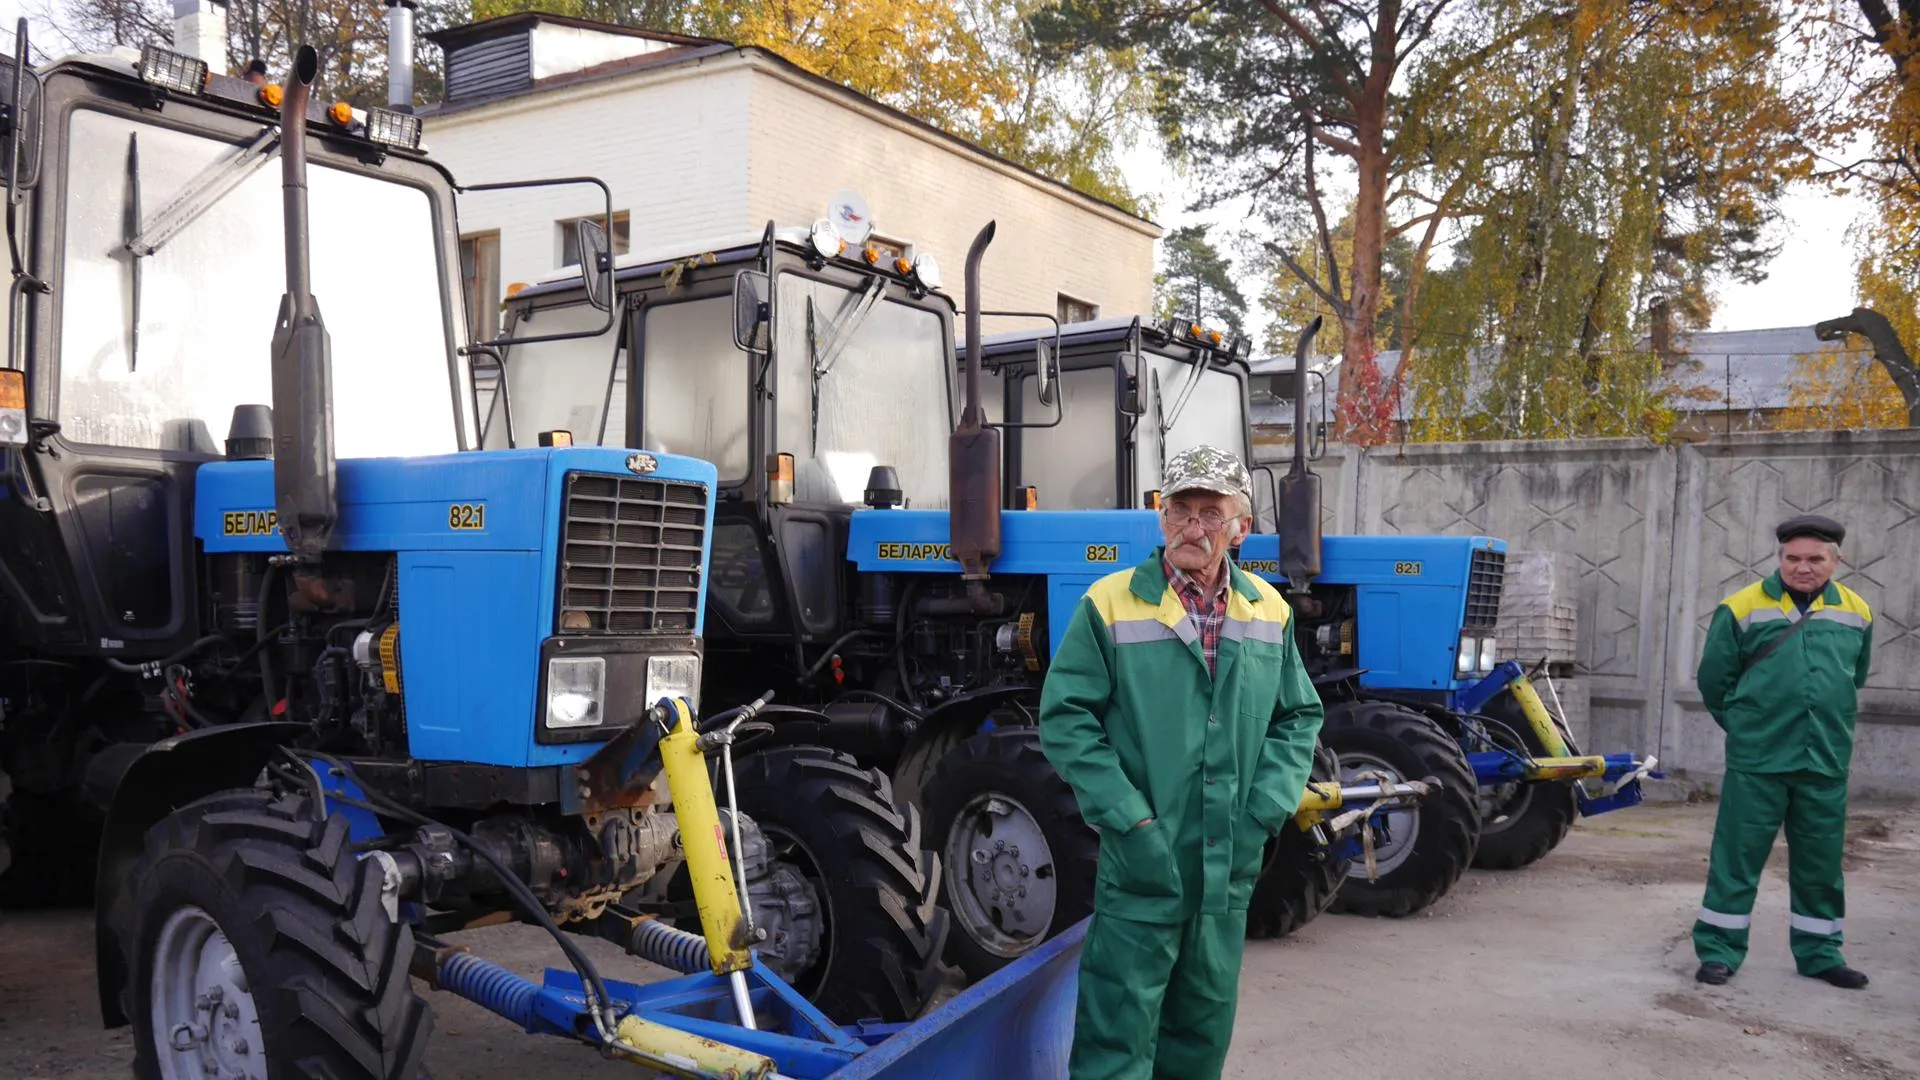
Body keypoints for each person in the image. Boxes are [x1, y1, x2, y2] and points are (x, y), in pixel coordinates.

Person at [1038, 444, 1325, 1079]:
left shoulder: (1269, 612)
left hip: (1227, 868)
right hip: (1144, 861)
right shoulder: (1109, 603)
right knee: (1117, 1036)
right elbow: (1065, 719)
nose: (1193, 527)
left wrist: (1261, 815)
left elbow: (1297, 717)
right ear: (1160, 517)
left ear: (1241, 526)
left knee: (1201, 1033)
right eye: (1179, 511)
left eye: (1210, 513)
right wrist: (1130, 821)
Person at [1692, 513, 1873, 990]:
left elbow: (1855, 677)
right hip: (1758, 760)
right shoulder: (1741, 607)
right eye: (1793, 558)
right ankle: (1718, 951)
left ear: (1836, 560)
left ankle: (1820, 953)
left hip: (1825, 760)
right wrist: (1744, 726)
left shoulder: (1858, 610)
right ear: (1780, 558)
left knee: (1821, 864)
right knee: (1737, 858)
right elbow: (1714, 680)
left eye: (1815, 558)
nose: (1803, 567)